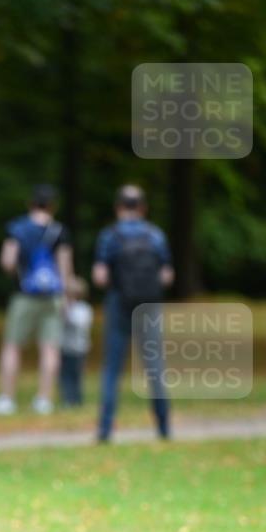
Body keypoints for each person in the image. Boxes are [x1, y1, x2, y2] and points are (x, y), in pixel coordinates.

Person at [92, 185, 174, 441]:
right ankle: (163, 428)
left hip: (119, 303)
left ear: (118, 207)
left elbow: (100, 276)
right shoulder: (155, 235)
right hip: (149, 306)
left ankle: (105, 430)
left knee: (112, 368)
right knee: (155, 366)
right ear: (143, 208)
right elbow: (167, 275)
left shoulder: (110, 236)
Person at [0, 184, 73, 415]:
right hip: (52, 297)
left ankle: (7, 399)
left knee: (12, 346)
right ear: (53, 206)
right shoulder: (59, 231)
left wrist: (20, 271)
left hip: (24, 295)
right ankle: (44, 400)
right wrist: (66, 298)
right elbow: (65, 268)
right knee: (50, 348)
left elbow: (7, 261)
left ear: (31, 203)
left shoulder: (18, 228)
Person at [59, 276, 93, 407]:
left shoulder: (84, 309)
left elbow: (79, 324)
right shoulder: (64, 307)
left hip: (79, 349)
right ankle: (67, 399)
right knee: (65, 375)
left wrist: (67, 313)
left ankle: (77, 399)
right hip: (65, 348)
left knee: (76, 375)